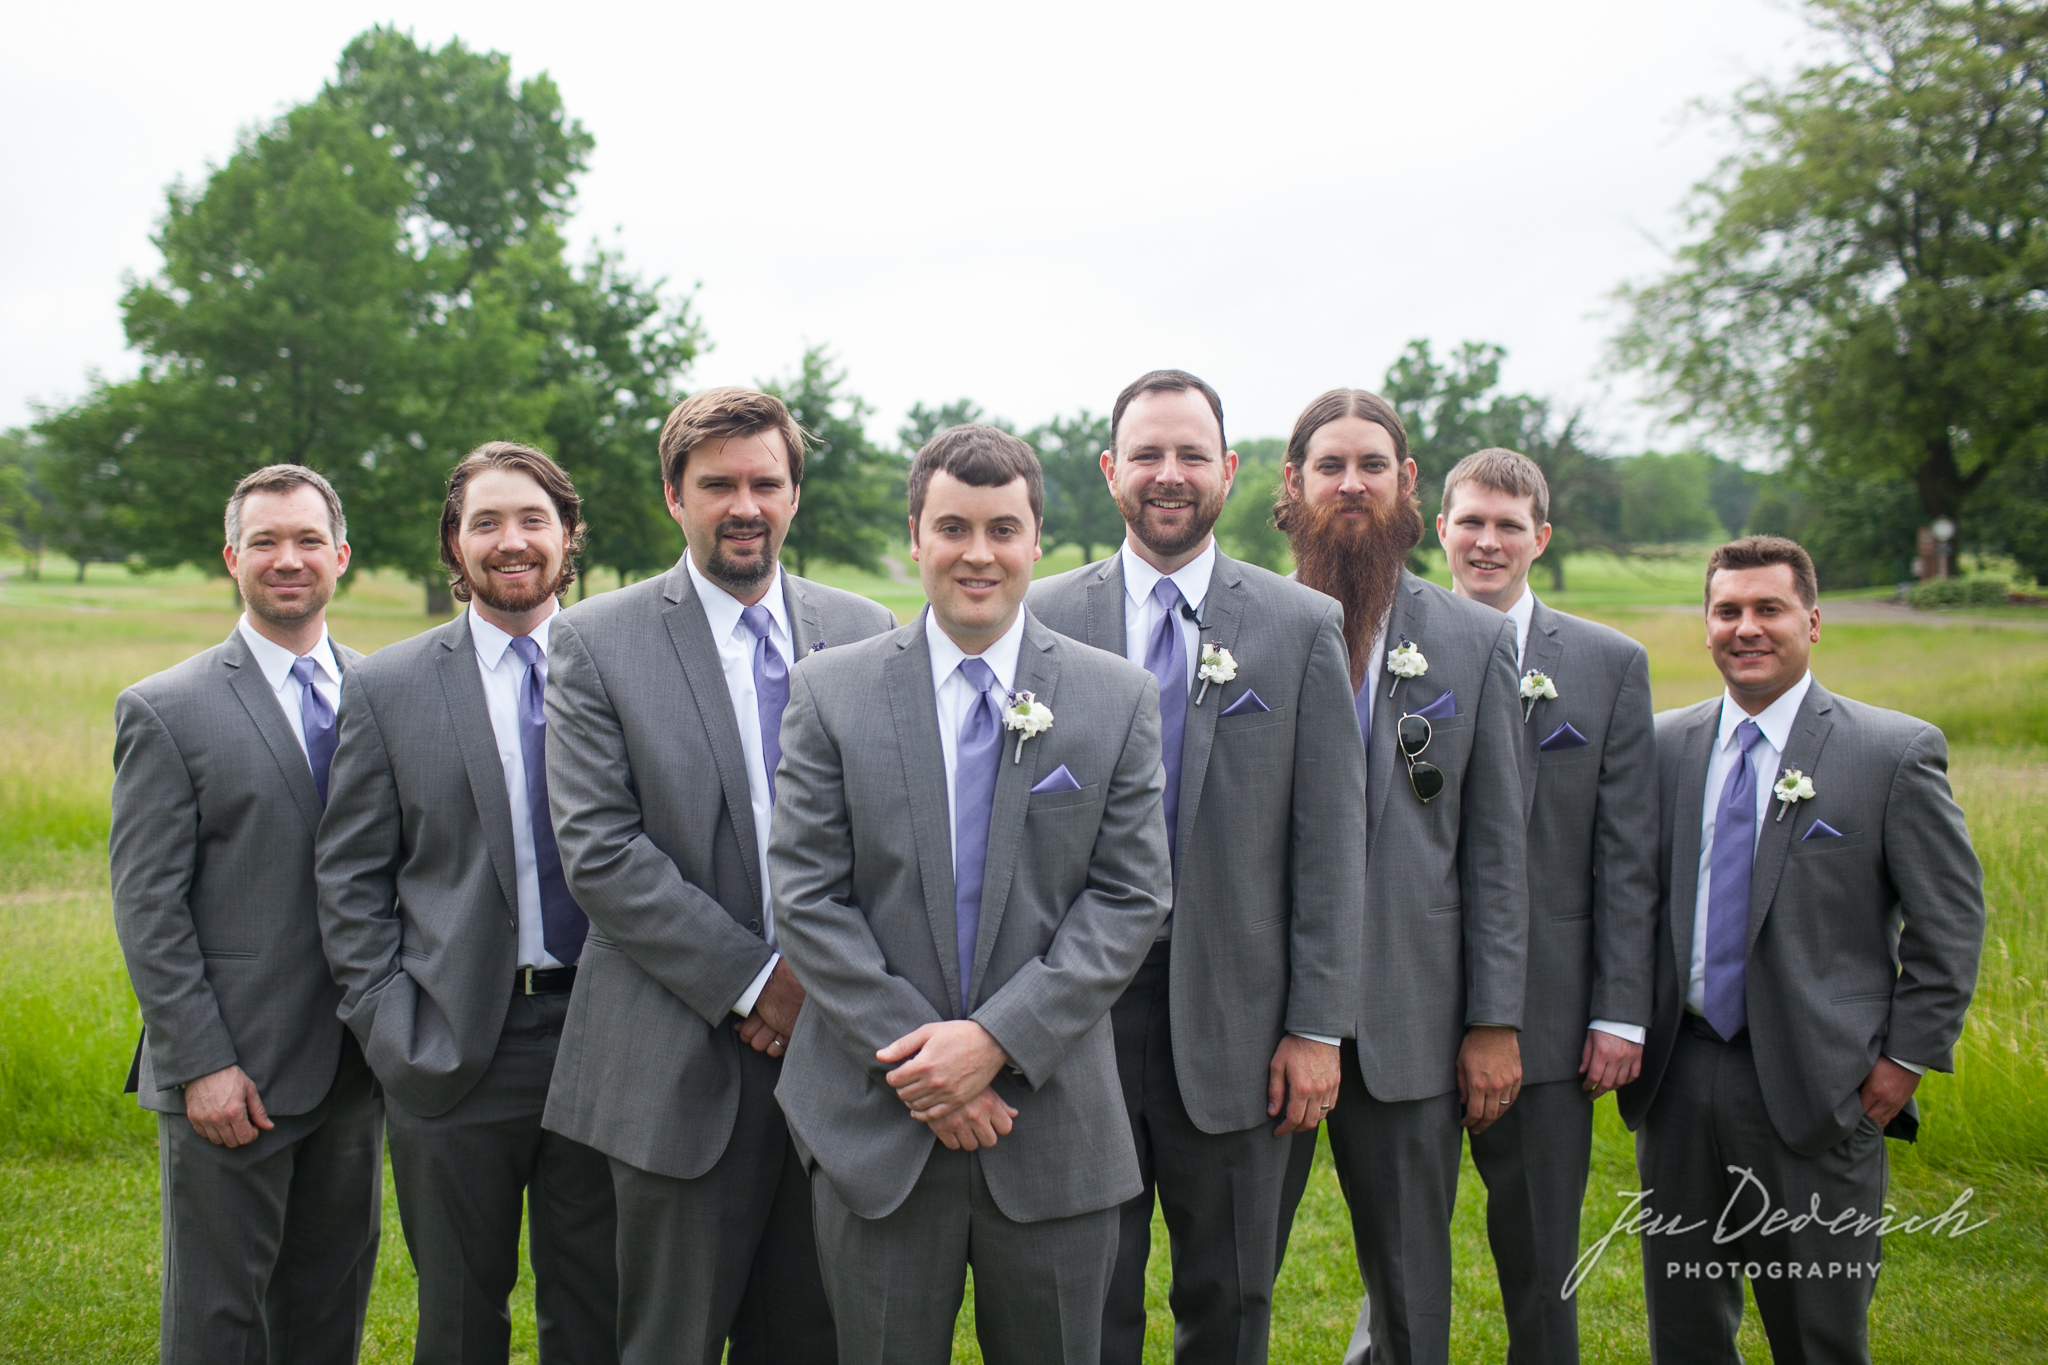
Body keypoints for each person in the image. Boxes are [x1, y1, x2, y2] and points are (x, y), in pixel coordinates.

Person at [769, 423, 1173, 1365]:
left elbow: (1129, 896)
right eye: (953, 527)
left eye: (1003, 528)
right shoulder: (830, 692)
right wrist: (925, 1067)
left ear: (1038, 539)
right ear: (916, 537)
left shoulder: (1114, 697)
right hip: (877, 1125)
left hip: (1052, 1122)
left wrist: (994, 1043)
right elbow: (807, 895)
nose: (978, 553)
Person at [538, 387, 895, 1364]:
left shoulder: (864, 627)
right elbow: (601, 849)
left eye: (764, 482)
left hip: (836, 1054)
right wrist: (758, 981)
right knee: (668, 1338)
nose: (744, 504)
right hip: (672, 1054)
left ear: (792, 494)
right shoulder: (594, 640)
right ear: (672, 496)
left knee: (815, 1334)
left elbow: (898, 829)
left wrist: (824, 985)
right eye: (717, 484)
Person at [1027, 370, 1367, 1365]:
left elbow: (1329, 841)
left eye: (1188, 456)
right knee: (1087, 1290)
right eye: (1145, 455)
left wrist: (1314, 1027)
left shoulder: (1298, 626)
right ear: (1108, 471)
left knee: (1227, 1296)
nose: (1166, 476)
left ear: (1225, 470)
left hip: (1241, 1016)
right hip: (1076, 1013)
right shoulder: (1039, 620)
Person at [1618, 535, 1984, 1364]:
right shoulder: (1662, 746)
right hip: (1679, 1077)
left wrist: (1903, 1063)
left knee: (1817, 1332)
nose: (1747, 627)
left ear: (1812, 622)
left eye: (1768, 609)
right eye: (1727, 611)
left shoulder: (1891, 753)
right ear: (1705, 625)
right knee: (1683, 1329)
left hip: (1823, 1085)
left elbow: (1949, 922)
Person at [317, 443, 618, 1364]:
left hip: (610, 1038)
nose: (511, 540)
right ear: (454, 543)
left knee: (601, 1306)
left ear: (569, 535)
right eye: (484, 522)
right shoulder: (387, 685)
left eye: (532, 518)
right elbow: (350, 875)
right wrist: (390, 1023)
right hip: (452, 1044)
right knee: (456, 1319)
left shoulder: (627, 660)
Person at [1271, 391, 1528, 1365]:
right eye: (1328, 465)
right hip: (1265, 1017)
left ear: (1405, 483)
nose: (1350, 484)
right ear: (1290, 484)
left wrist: (1493, 1018)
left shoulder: (1470, 642)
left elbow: (1496, 847)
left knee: (1413, 1289)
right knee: (1238, 1272)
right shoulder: (1240, 627)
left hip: (1411, 1019)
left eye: (1370, 465)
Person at [110, 464, 383, 1365]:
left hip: (354, 1066)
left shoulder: (385, 693)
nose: (288, 558)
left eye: (308, 540)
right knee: (220, 1323)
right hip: (233, 1078)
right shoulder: (166, 708)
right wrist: (201, 1065)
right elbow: (148, 906)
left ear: (340, 556)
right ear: (233, 558)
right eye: (265, 541)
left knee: (327, 1310)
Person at [1417, 447, 1658, 1363]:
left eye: (1508, 525)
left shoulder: (1607, 663)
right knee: (1401, 1254)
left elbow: (1627, 855)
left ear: (1540, 538)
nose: (1487, 541)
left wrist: (1619, 1013)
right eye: (1470, 521)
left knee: (1542, 1261)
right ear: (1441, 528)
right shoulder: (1383, 646)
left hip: (1555, 1017)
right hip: (1417, 1004)